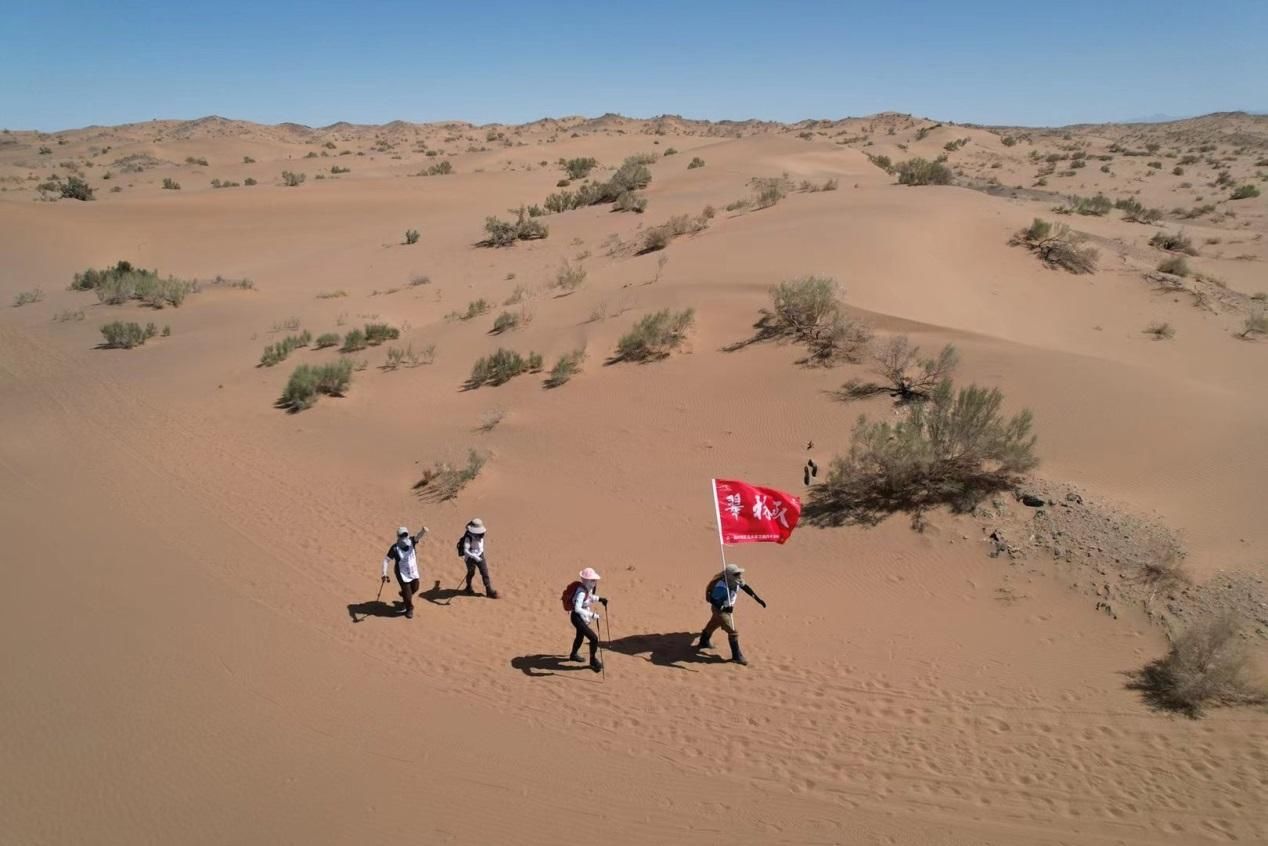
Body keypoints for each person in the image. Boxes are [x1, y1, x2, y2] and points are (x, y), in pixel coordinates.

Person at [696, 563, 766, 666]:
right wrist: (724, 608)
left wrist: (758, 599)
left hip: (726, 609)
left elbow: (746, 587)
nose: (739, 576)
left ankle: (704, 641)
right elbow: (713, 600)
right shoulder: (721, 588)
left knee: (714, 623)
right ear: (729, 576)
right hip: (720, 610)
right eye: (736, 574)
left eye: (739, 573)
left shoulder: (736, 581)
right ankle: (737, 656)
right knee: (733, 631)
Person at [382, 526, 428, 619]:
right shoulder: (395, 548)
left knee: (415, 587)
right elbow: (386, 560)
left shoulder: (411, 541)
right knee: (408, 592)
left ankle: (404, 595)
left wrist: (423, 531)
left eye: (405, 534)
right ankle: (409, 609)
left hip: (413, 572)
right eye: (402, 535)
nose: (404, 537)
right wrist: (384, 573)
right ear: (398, 536)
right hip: (401, 573)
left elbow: (418, 536)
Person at [568, 567, 607, 672]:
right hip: (577, 618)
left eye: (595, 580)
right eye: (593, 580)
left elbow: (590, 597)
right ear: (586, 580)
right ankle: (593, 660)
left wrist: (600, 599)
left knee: (579, 637)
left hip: (581, 617)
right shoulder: (581, 592)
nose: (595, 582)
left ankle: (573, 654)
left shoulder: (587, 589)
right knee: (594, 638)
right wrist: (592, 615)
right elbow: (577, 608)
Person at [459, 518, 498, 599]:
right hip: (470, 558)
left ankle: (489, 590)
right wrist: (474, 556)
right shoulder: (468, 537)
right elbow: (466, 550)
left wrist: (479, 556)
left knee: (485, 572)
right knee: (471, 572)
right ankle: (468, 587)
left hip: (480, 555)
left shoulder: (481, 535)